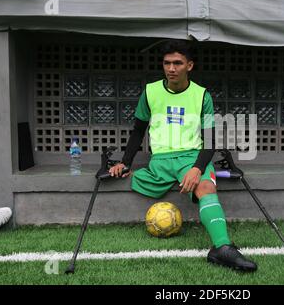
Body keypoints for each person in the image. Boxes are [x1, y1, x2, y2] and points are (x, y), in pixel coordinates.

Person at [109, 39, 257, 272]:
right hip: (159, 161)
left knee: (206, 187)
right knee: (133, 178)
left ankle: (222, 247)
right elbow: (139, 130)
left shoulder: (201, 96)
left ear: (189, 65)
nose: (171, 68)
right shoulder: (150, 92)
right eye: (167, 63)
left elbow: (210, 141)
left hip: (191, 158)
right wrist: (125, 162)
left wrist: (197, 168)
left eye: (177, 63)